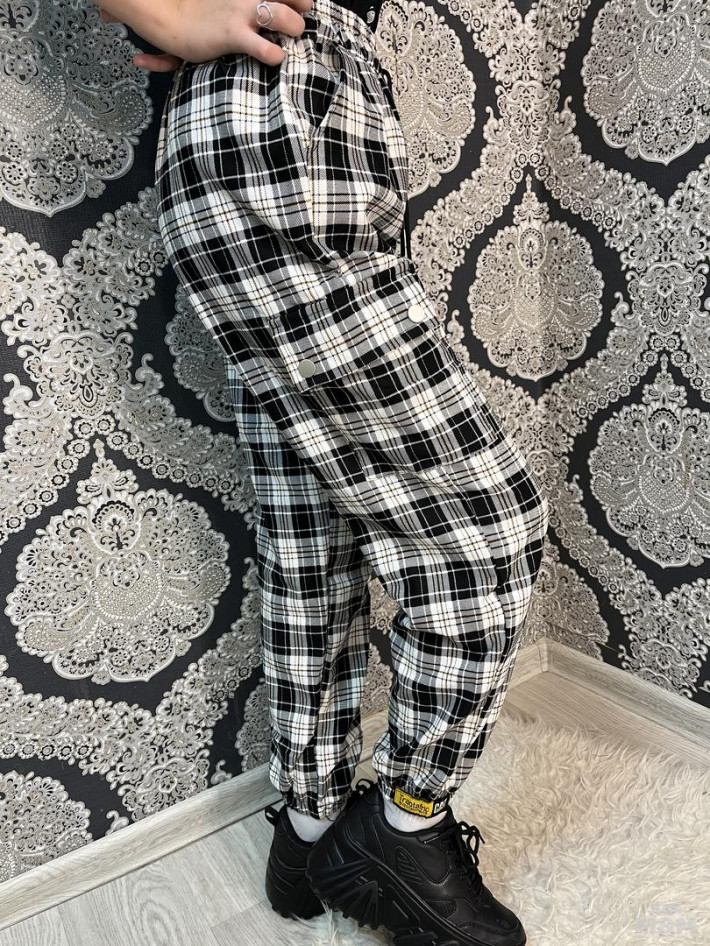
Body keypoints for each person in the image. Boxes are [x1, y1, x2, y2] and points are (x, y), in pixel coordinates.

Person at [95, 1, 550, 943]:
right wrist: (167, 16)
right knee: (486, 532)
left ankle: (307, 836)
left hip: (286, 127)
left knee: (316, 538)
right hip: (278, 126)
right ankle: (402, 829)